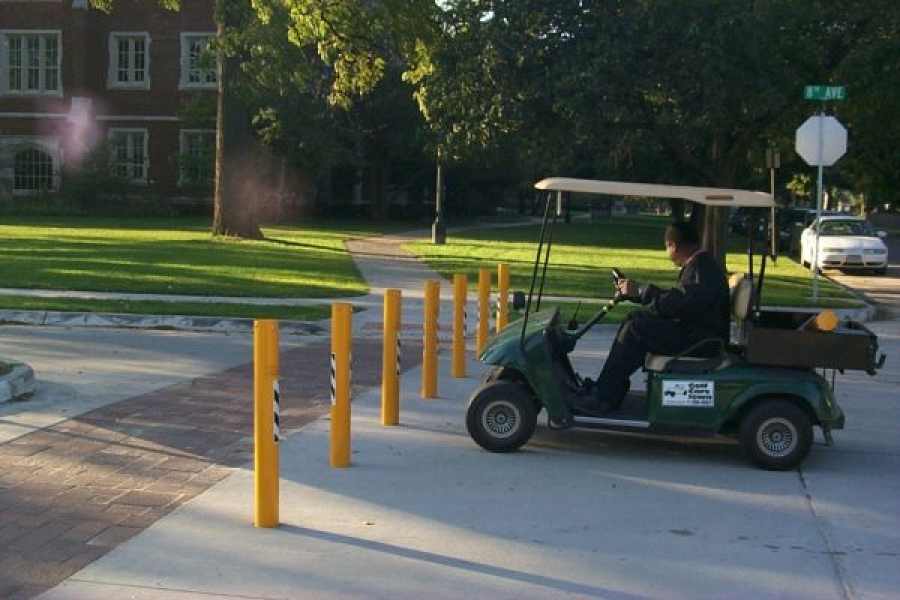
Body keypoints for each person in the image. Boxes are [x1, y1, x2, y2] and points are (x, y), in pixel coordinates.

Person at [571, 220, 730, 415]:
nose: (667, 251)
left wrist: (641, 291)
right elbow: (679, 301)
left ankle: (603, 396)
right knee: (635, 319)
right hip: (697, 330)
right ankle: (607, 390)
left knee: (636, 330)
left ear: (673, 246)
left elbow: (680, 303)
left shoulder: (701, 268)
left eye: (666, 246)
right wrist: (641, 297)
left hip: (702, 339)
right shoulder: (700, 265)